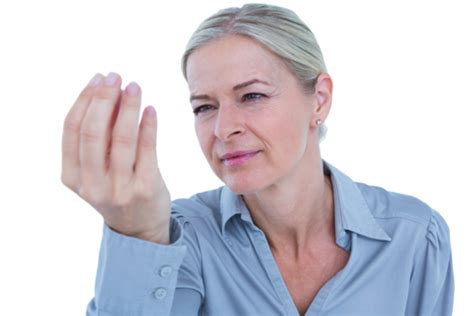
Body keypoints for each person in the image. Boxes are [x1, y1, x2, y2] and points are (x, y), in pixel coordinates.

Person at [61, 3, 454, 316]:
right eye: (204, 107)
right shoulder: (183, 239)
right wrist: (139, 235)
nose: (223, 128)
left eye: (252, 96)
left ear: (319, 100)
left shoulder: (415, 236)